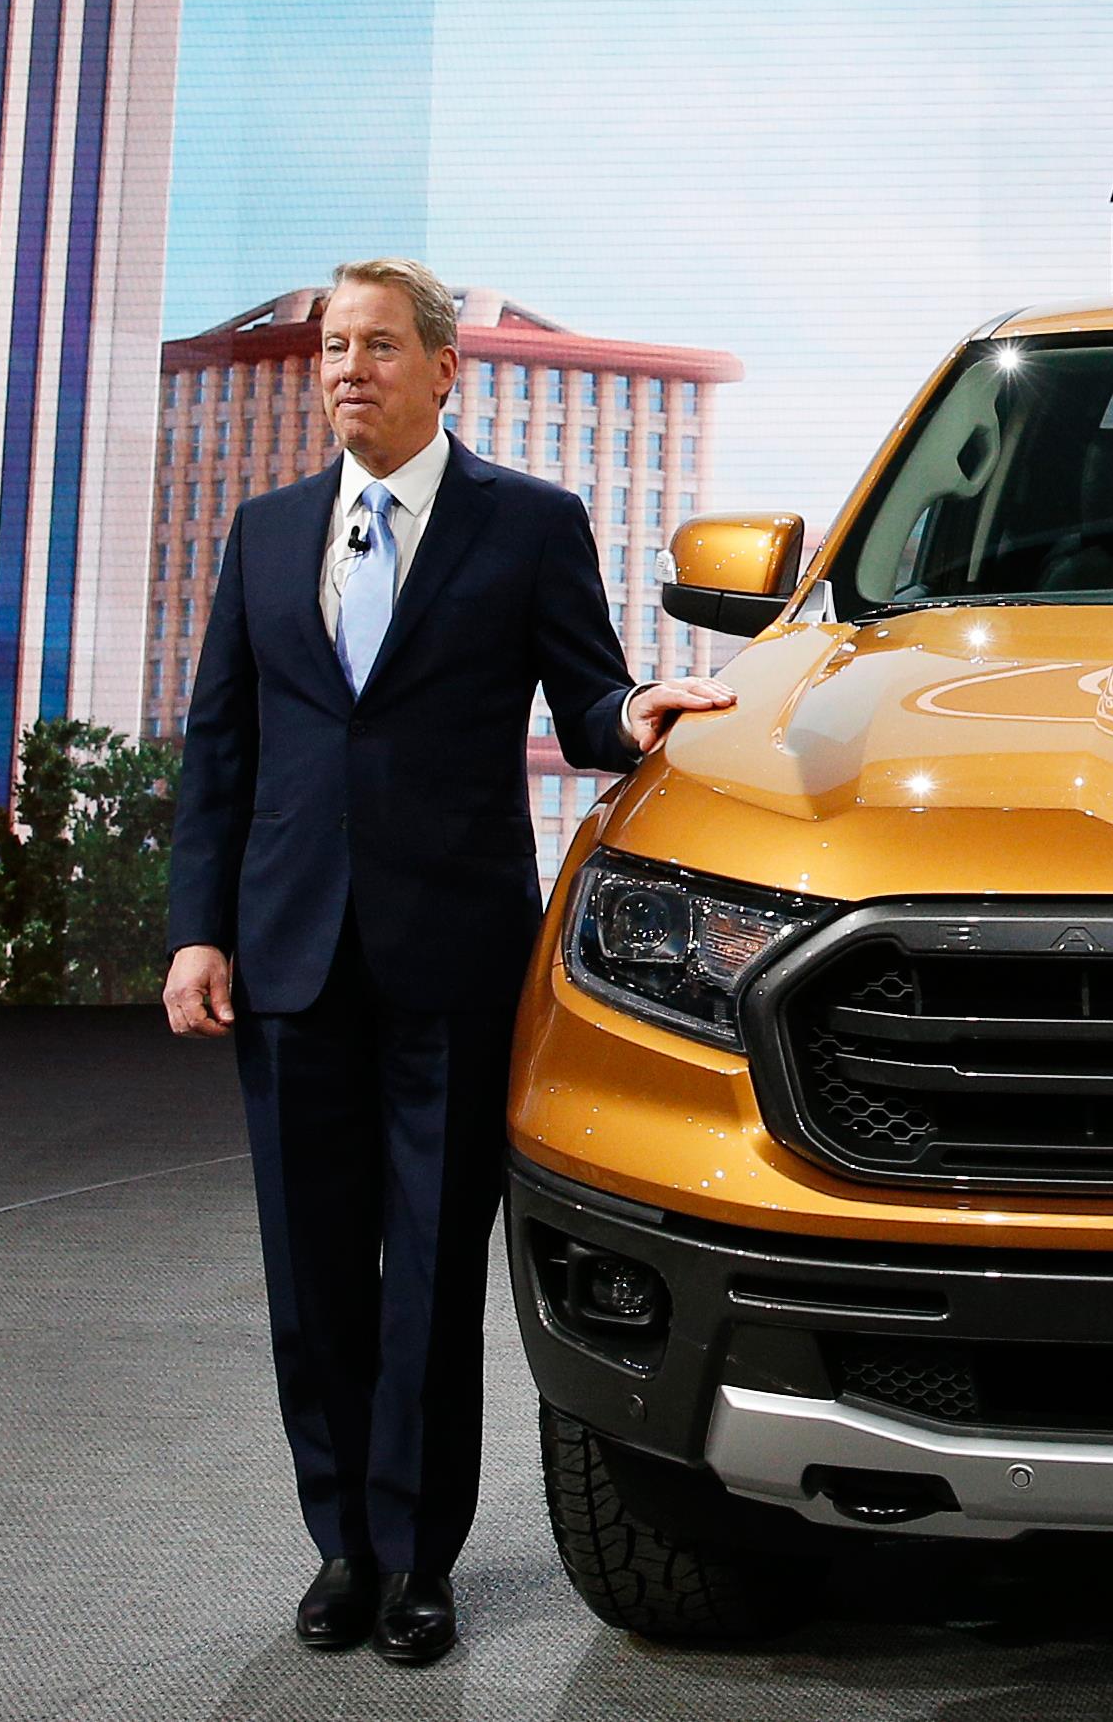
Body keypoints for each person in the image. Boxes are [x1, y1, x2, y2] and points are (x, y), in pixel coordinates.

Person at [161, 260, 735, 1666]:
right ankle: (342, 1548)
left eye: (374, 346)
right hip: (288, 953)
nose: (345, 369)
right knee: (310, 1276)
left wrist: (637, 711)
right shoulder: (265, 532)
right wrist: (196, 928)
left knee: (427, 1275)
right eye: (331, 349)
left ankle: (420, 1560)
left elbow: (584, 698)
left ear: (442, 368)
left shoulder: (527, 522)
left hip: (453, 957)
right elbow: (222, 746)